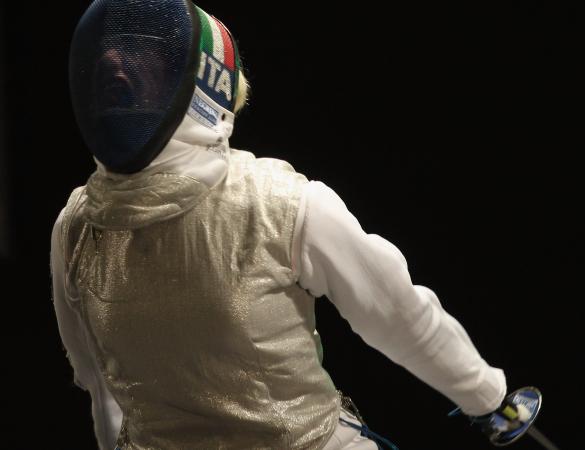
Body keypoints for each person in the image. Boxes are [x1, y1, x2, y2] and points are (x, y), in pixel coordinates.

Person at [52, 1, 535, 448]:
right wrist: (490, 398)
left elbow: (100, 389)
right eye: (108, 54)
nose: (113, 61)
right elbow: (399, 315)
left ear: (200, 83)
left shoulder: (76, 227)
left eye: (143, 55)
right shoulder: (280, 201)